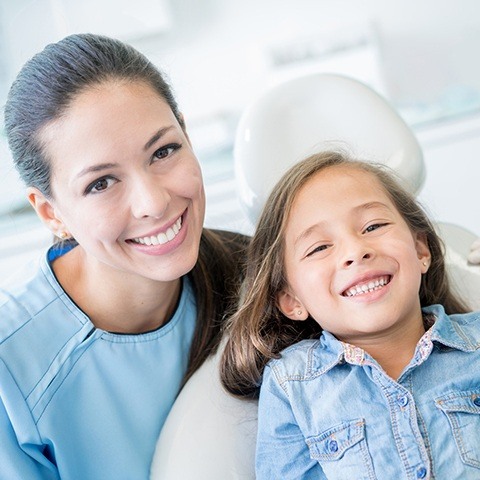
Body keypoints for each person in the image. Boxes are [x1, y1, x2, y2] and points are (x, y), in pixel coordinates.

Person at [1, 33, 247, 479]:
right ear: (52, 213)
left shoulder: (259, 276)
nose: (153, 202)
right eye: (101, 183)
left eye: (163, 151)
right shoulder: (10, 369)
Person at [221, 151, 478, 479]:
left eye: (373, 226)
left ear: (420, 250)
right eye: (319, 248)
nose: (356, 251)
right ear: (291, 300)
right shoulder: (291, 384)